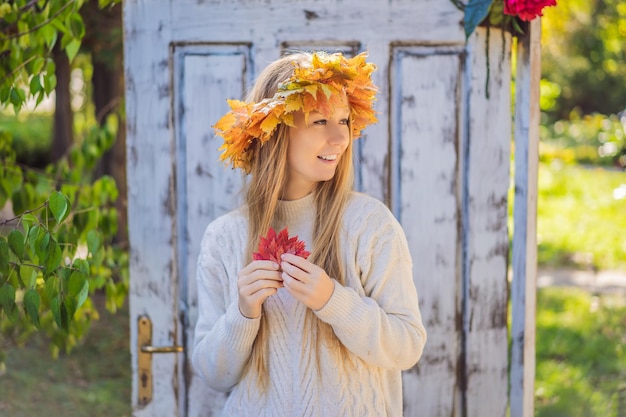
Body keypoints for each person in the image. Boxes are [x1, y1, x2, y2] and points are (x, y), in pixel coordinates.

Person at [191, 51, 427, 417]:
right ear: (275, 130)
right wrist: (243, 313)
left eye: (344, 121)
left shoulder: (368, 224)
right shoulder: (225, 237)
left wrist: (333, 300)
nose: (340, 138)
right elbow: (213, 374)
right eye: (320, 121)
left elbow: (407, 346)